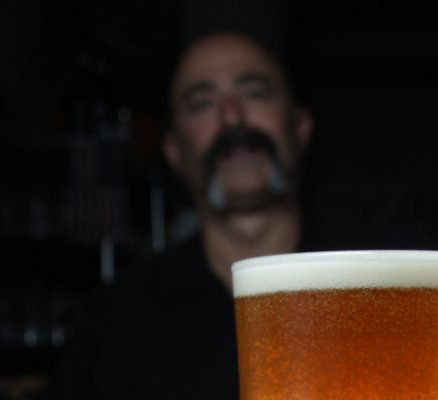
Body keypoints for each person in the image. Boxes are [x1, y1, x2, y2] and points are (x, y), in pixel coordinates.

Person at [41, 32, 313, 399]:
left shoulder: (381, 292)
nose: (232, 117)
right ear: (173, 150)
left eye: (254, 93)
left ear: (299, 127)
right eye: (202, 103)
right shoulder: (113, 320)